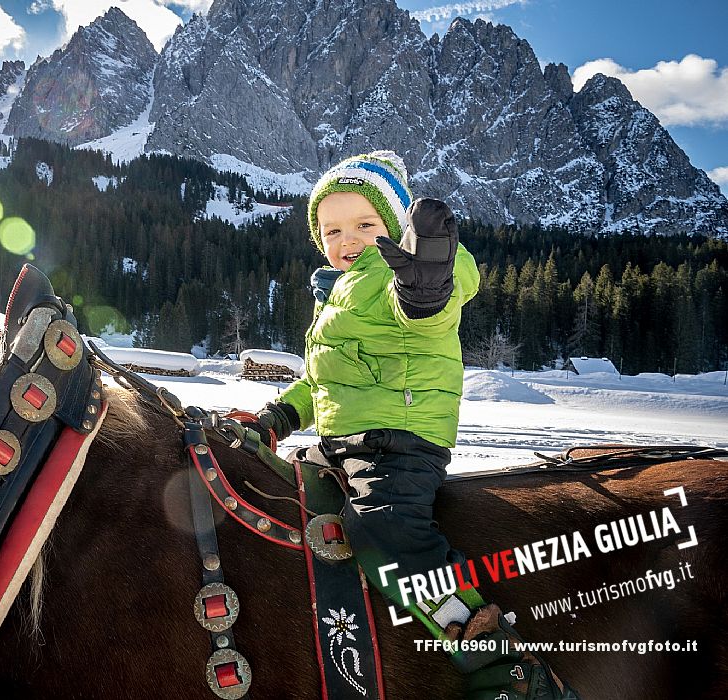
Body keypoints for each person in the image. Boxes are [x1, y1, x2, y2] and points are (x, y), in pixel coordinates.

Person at [240, 151, 579, 700]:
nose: (347, 239)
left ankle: (503, 668)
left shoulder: (399, 277)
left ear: (395, 228)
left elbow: (428, 309)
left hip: (398, 442)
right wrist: (278, 417)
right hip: (343, 441)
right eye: (331, 229)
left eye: (365, 225)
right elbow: (324, 381)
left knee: (383, 533)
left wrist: (427, 284)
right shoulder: (340, 291)